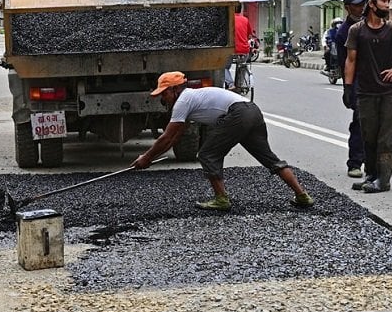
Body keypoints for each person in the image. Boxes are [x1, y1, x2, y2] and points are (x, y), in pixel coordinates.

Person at [131, 71, 314, 210]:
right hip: (252, 111)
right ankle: (302, 195)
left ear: (175, 89)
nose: (163, 99)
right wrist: (151, 157)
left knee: (207, 154)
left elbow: (167, 136)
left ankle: (221, 199)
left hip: (238, 114)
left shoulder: (183, 100)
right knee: (268, 157)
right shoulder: (192, 97)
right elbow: (176, 136)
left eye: (164, 94)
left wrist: (146, 158)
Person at [342, 0, 392, 193]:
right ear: (371, 4)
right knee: (368, 136)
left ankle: (383, 181)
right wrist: (348, 87)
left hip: (386, 93)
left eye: (388, 2)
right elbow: (351, 60)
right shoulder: (356, 30)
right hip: (365, 92)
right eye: (383, 1)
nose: (387, 5)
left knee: (385, 138)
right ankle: (371, 176)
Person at [333, 0, 368, 179]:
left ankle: (373, 163)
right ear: (348, 8)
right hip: (357, 83)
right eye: (356, 5)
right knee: (360, 123)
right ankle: (354, 163)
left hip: (375, 83)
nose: (360, 7)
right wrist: (348, 88)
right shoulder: (344, 32)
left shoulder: (371, 24)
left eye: (362, 4)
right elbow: (345, 62)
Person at [225, 3, 254, 88]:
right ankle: (240, 85)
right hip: (244, 51)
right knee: (242, 65)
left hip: (231, 51)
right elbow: (249, 35)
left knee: (224, 67)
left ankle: (230, 84)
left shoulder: (228, 19)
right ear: (240, 9)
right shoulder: (245, 20)